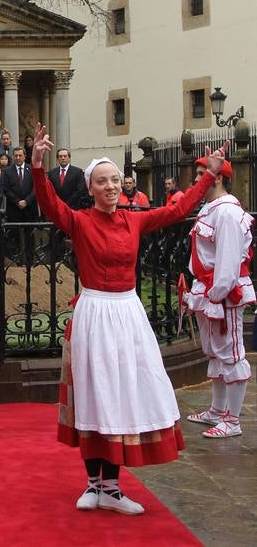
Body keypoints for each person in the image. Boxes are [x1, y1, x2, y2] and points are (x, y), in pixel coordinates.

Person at [30, 122, 230, 516]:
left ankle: (113, 487)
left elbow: (177, 209)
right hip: (93, 313)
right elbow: (50, 204)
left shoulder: (134, 219)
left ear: (122, 186)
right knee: (94, 393)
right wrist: (38, 165)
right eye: (101, 181)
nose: (109, 187)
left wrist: (209, 174)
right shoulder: (79, 220)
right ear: (90, 189)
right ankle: (93, 483)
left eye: (115, 181)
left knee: (122, 392)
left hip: (126, 312)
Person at [183, 155, 255, 438]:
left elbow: (227, 260)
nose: (197, 179)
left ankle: (233, 420)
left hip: (222, 291)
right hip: (209, 288)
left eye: (202, 174)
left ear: (218, 177)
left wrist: (218, 293)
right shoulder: (210, 208)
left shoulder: (226, 212)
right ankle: (216, 409)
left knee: (231, 353)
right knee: (215, 350)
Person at [2, 147, 38, 224]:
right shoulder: (7, 171)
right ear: (13, 157)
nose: (18, 158)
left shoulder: (32, 169)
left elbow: (36, 188)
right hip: (13, 208)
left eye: (20, 155)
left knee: (29, 234)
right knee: (14, 234)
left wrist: (26, 201)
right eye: (16, 155)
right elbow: (6, 189)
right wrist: (17, 201)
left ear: (24, 157)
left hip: (29, 208)